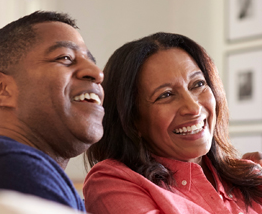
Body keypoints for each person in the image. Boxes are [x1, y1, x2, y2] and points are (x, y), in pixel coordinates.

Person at [83, 32, 262, 214]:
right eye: (166, 95)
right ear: (132, 120)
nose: (193, 108)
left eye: (198, 84)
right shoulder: (112, 182)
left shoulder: (250, 177)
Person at [0, 11, 105, 212]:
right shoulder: (8, 165)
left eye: (92, 61)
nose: (97, 74)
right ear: (0, 89)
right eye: (65, 57)